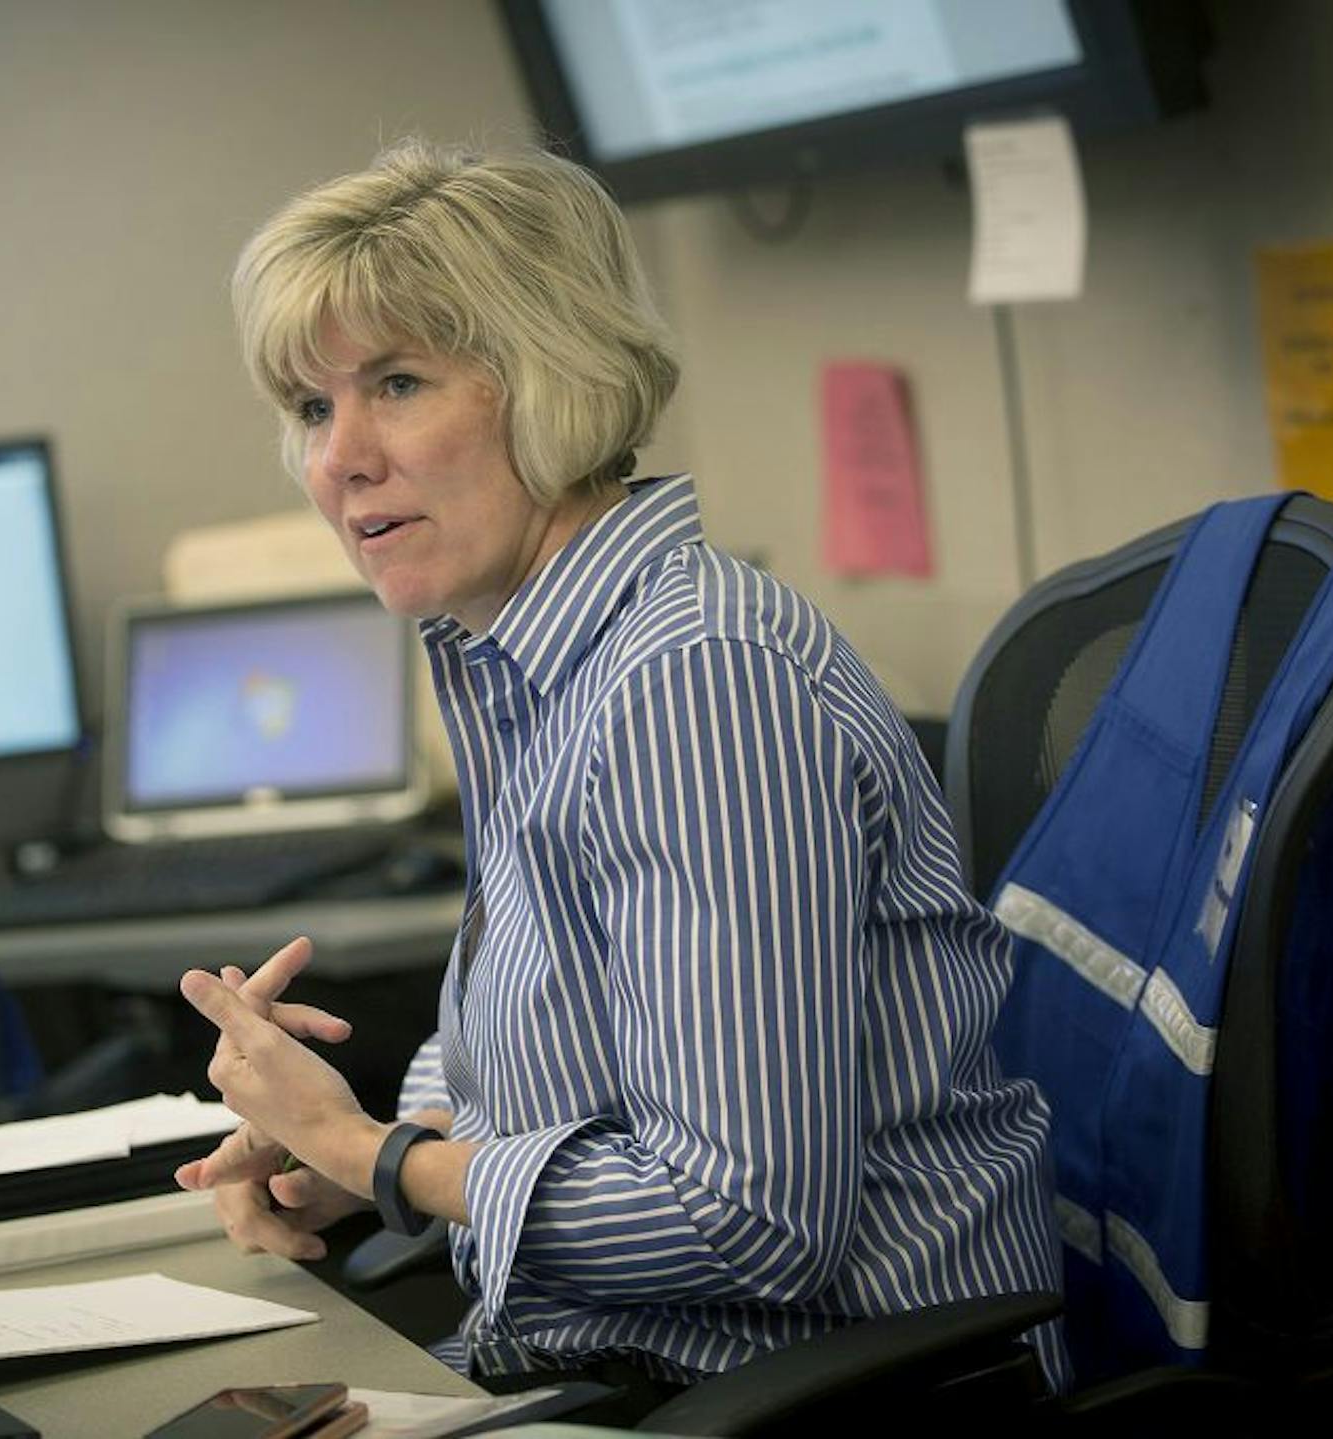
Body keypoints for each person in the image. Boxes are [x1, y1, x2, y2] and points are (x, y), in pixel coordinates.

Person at [173, 139, 1068, 1400]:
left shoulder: (695, 683)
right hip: (634, 1367)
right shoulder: (522, 656)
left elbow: (748, 1215)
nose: (339, 458)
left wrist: (383, 1156)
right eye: (315, 407)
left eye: (400, 381)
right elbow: (546, 1063)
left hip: (810, 1399)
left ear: (549, 380)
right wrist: (362, 1148)